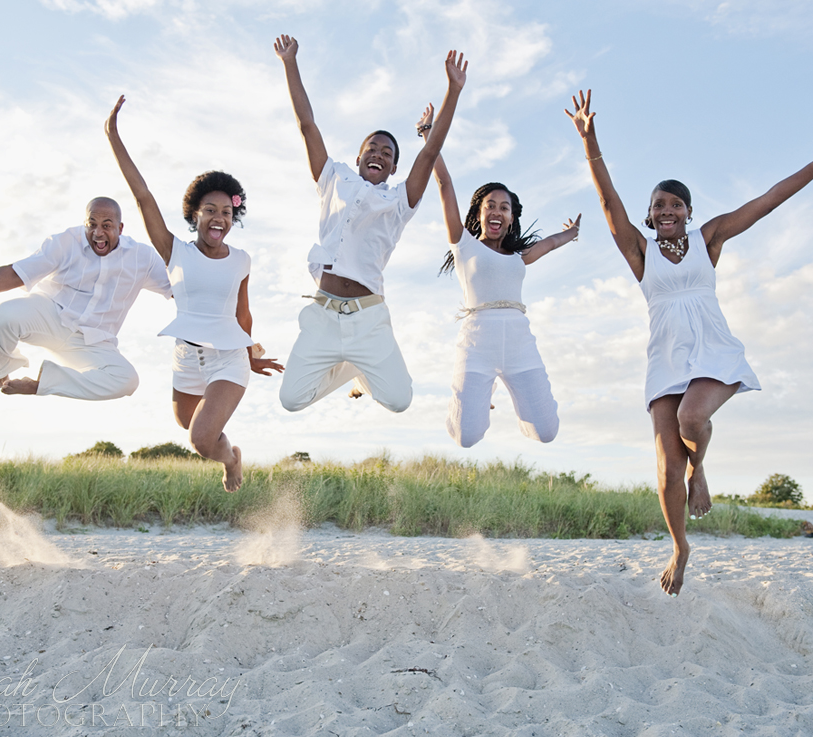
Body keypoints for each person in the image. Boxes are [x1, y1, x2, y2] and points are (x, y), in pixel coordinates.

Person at [566, 89, 813, 597]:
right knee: (664, 471)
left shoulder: (710, 238)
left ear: (688, 211)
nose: (666, 211)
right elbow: (607, 201)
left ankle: (700, 471)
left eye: (675, 204)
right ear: (650, 214)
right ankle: (680, 546)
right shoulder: (640, 251)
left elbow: (769, 198)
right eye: (658, 205)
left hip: (711, 349)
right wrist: (591, 142)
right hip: (665, 356)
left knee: (691, 420)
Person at [273, 34, 467, 413]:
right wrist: (290, 63)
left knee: (399, 400)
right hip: (323, 314)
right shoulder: (334, 178)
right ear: (359, 157)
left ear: (393, 167)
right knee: (291, 399)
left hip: (368, 317)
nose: (378, 154)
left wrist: (453, 92)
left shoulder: (399, 201)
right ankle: (349, 369)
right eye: (372, 149)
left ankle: (360, 362)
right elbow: (307, 125)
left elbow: (430, 152)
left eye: (387, 153)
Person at [105, 95, 283, 493]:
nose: (218, 217)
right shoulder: (175, 252)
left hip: (228, 359)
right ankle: (231, 452)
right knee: (189, 424)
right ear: (194, 215)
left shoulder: (242, 260)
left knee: (201, 438)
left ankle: (231, 462)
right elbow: (143, 196)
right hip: (186, 357)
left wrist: (251, 356)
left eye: (225, 211)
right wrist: (113, 136)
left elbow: (243, 314)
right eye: (209, 210)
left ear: (232, 218)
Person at [418, 105, 580, 447]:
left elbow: (549, 243)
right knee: (466, 437)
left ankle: (511, 394)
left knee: (546, 433)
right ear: (480, 213)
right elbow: (445, 184)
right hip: (477, 341)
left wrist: (571, 234)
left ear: (510, 218)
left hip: (520, 340)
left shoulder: (518, 256)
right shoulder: (463, 244)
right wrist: (428, 135)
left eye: (504, 207)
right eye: (490, 204)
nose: (497, 210)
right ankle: (474, 398)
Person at [0, 197, 171, 400]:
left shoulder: (143, 257)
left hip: (93, 340)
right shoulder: (66, 241)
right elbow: (16, 272)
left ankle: (41, 384)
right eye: (92, 224)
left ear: (120, 228)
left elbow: (178, 288)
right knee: (1, 316)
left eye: (106, 226)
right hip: (50, 316)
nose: (98, 233)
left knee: (126, 380)